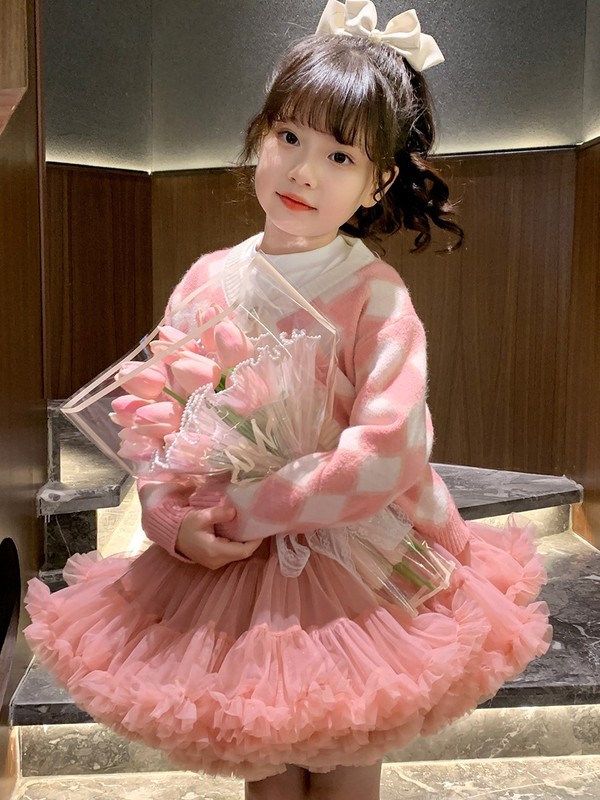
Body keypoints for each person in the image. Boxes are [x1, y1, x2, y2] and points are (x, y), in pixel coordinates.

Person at [25, 2, 552, 798]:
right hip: (228, 571)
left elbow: (386, 453)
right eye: (290, 137)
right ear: (259, 138)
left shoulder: (375, 295)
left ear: (377, 183)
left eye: (340, 155)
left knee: (345, 765)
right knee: (265, 773)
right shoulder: (209, 279)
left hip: (358, 563)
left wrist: (246, 508)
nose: (305, 171)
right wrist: (171, 520)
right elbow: (161, 419)